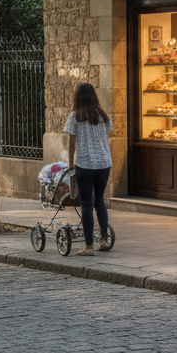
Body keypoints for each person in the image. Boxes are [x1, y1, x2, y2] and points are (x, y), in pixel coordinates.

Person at [64, 82, 112, 256]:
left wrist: (70, 163)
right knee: (99, 201)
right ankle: (104, 240)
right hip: (104, 164)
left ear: (78, 97)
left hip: (85, 165)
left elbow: (71, 144)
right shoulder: (103, 116)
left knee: (86, 204)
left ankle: (89, 246)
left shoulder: (74, 117)